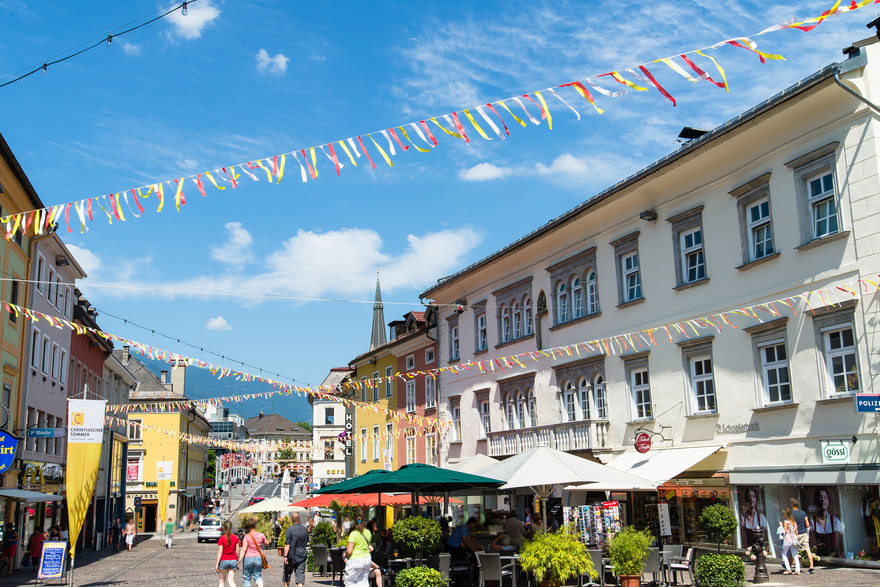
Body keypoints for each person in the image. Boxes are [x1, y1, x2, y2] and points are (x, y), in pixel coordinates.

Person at [343, 517, 381, 587]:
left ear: (354, 522)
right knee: (363, 581)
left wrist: (345, 555)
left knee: (350, 581)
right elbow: (370, 547)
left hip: (355, 560)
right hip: (366, 559)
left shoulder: (353, 533)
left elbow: (349, 551)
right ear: (363, 522)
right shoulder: (368, 532)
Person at [811, 487, 843, 557]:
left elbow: (842, 541)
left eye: (825, 497)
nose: (823, 500)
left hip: (833, 557)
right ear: (817, 500)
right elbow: (811, 543)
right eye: (820, 497)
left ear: (829, 500)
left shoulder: (835, 521)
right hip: (819, 557)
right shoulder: (812, 521)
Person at [238, 517, 269, 587]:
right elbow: (266, 543)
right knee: (257, 575)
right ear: (255, 526)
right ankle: (260, 585)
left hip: (248, 558)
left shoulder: (247, 536)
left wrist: (239, 560)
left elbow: (243, 549)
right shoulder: (261, 535)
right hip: (258, 557)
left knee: (247, 578)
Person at [283, 512, 308, 587]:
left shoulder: (289, 530)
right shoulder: (304, 530)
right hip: (301, 555)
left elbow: (287, 544)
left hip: (291, 555)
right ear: (299, 519)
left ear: (291, 520)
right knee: (300, 578)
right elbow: (306, 541)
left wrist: (285, 556)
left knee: (286, 576)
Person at [790, 498, 814, 573]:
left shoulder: (791, 513)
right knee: (807, 549)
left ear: (792, 504)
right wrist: (807, 532)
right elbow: (807, 523)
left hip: (796, 535)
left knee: (793, 550)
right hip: (803, 534)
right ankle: (811, 566)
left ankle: (789, 565)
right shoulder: (803, 513)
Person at [216, 521, 240, 587]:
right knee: (231, 581)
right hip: (233, 560)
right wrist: (237, 561)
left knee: (221, 581)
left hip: (223, 560)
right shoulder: (236, 537)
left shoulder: (221, 538)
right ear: (231, 527)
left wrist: (217, 563)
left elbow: (220, 552)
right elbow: (237, 551)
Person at [780, 509, 801, 575]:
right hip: (794, 539)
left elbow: (784, 531)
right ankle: (798, 570)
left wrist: (781, 526)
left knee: (784, 554)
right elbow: (797, 532)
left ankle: (788, 569)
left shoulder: (786, 522)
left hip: (788, 539)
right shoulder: (794, 522)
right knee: (795, 554)